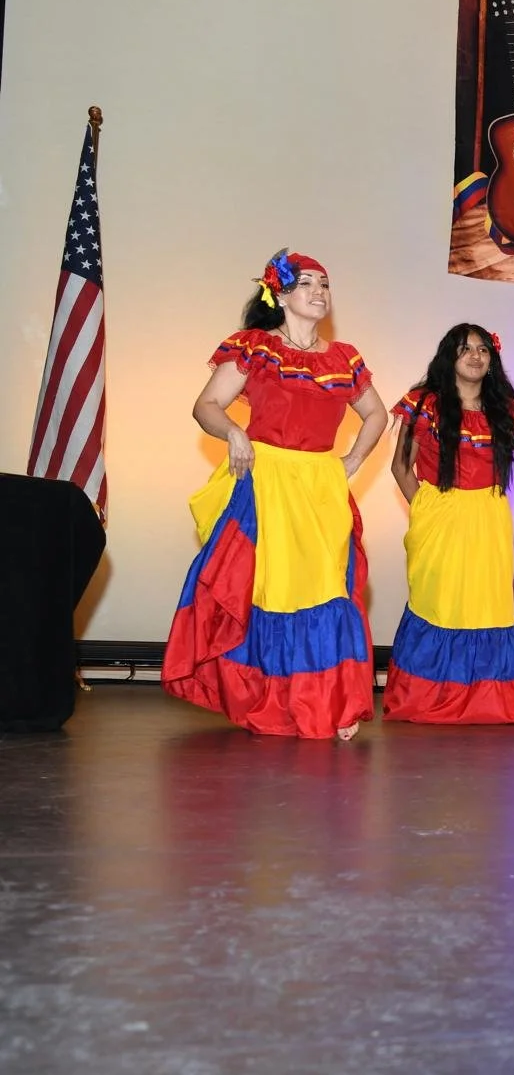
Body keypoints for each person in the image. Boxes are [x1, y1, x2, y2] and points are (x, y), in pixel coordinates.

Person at [162, 250, 386, 740]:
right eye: (307, 283)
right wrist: (236, 435)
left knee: (327, 588)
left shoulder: (343, 357)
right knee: (269, 590)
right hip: (267, 482)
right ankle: (271, 698)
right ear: (280, 293)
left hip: (320, 488)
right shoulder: (257, 348)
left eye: (325, 284)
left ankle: (335, 700)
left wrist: (350, 462)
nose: (319, 292)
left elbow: (377, 415)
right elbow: (207, 406)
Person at [385, 323, 514, 724]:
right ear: (448, 356)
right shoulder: (423, 404)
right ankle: (426, 698)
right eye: (465, 349)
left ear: (492, 359)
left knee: (487, 603)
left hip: (489, 516)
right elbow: (401, 466)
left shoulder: (507, 411)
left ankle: (488, 702)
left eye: (483, 350)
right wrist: (427, 508)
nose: (475, 356)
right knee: (439, 601)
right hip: (440, 513)